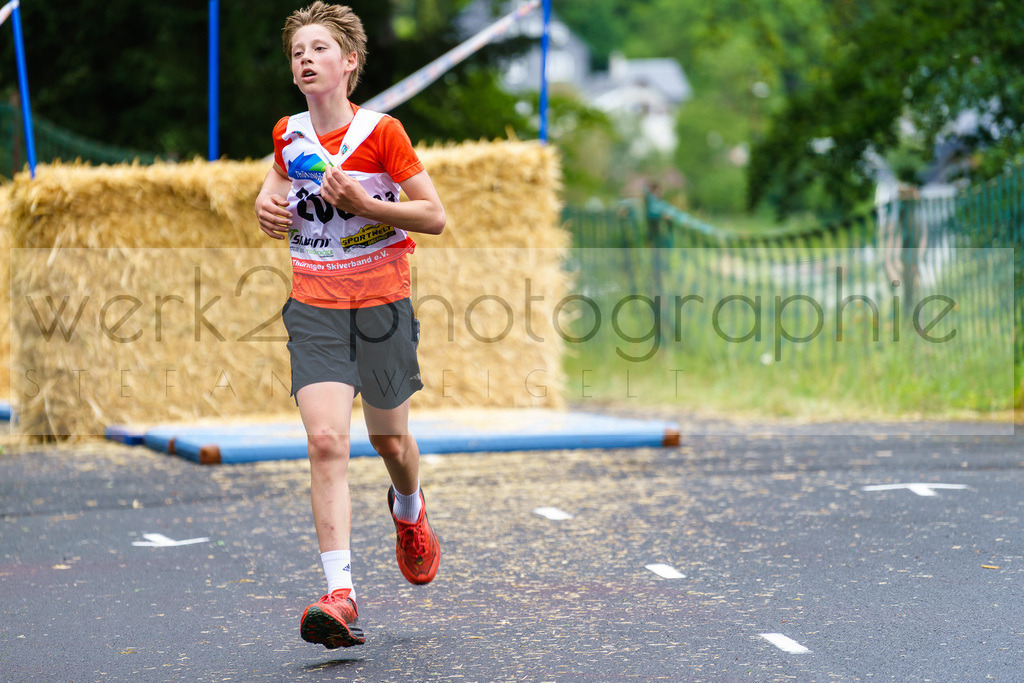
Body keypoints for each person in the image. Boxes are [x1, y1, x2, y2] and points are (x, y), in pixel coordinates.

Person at [253, 1, 445, 649]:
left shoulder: (381, 134)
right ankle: (341, 593)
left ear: (349, 63)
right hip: (314, 307)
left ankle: (410, 511)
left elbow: (435, 215)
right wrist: (264, 199)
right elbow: (278, 177)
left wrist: (366, 204)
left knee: (390, 442)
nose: (305, 59)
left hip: (382, 303)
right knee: (327, 441)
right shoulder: (287, 132)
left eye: (318, 49)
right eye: (296, 53)